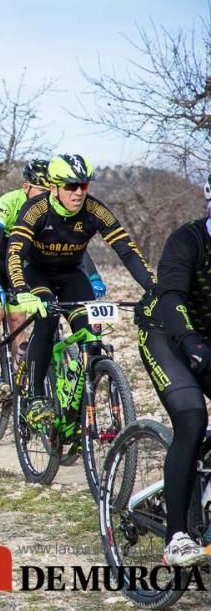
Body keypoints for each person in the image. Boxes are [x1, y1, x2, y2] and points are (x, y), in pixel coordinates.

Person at [7, 154, 155, 425]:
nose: (78, 192)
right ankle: (36, 397)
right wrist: (20, 289)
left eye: (84, 186)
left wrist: (154, 288)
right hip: (38, 275)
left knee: (92, 337)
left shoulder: (95, 210)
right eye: (71, 186)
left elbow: (127, 250)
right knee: (47, 318)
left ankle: (79, 409)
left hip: (73, 275)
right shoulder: (35, 210)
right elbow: (15, 251)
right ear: (53, 187)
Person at [0, 160, 104, 404]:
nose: (47, 196)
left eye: (50, 190)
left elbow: (70, 247)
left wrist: (93, 276)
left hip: (22, 261)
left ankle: (20, 373)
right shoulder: (9, 203)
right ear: (26, 187)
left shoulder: (52, 209)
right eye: (42, 191)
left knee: (19, 317)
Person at [134, 175, 211, 566]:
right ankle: (177, 536)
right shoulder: (188, 241)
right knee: (192, 419)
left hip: (206, 339)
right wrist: (194, 344)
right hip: (166, 332)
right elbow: (172, 297)